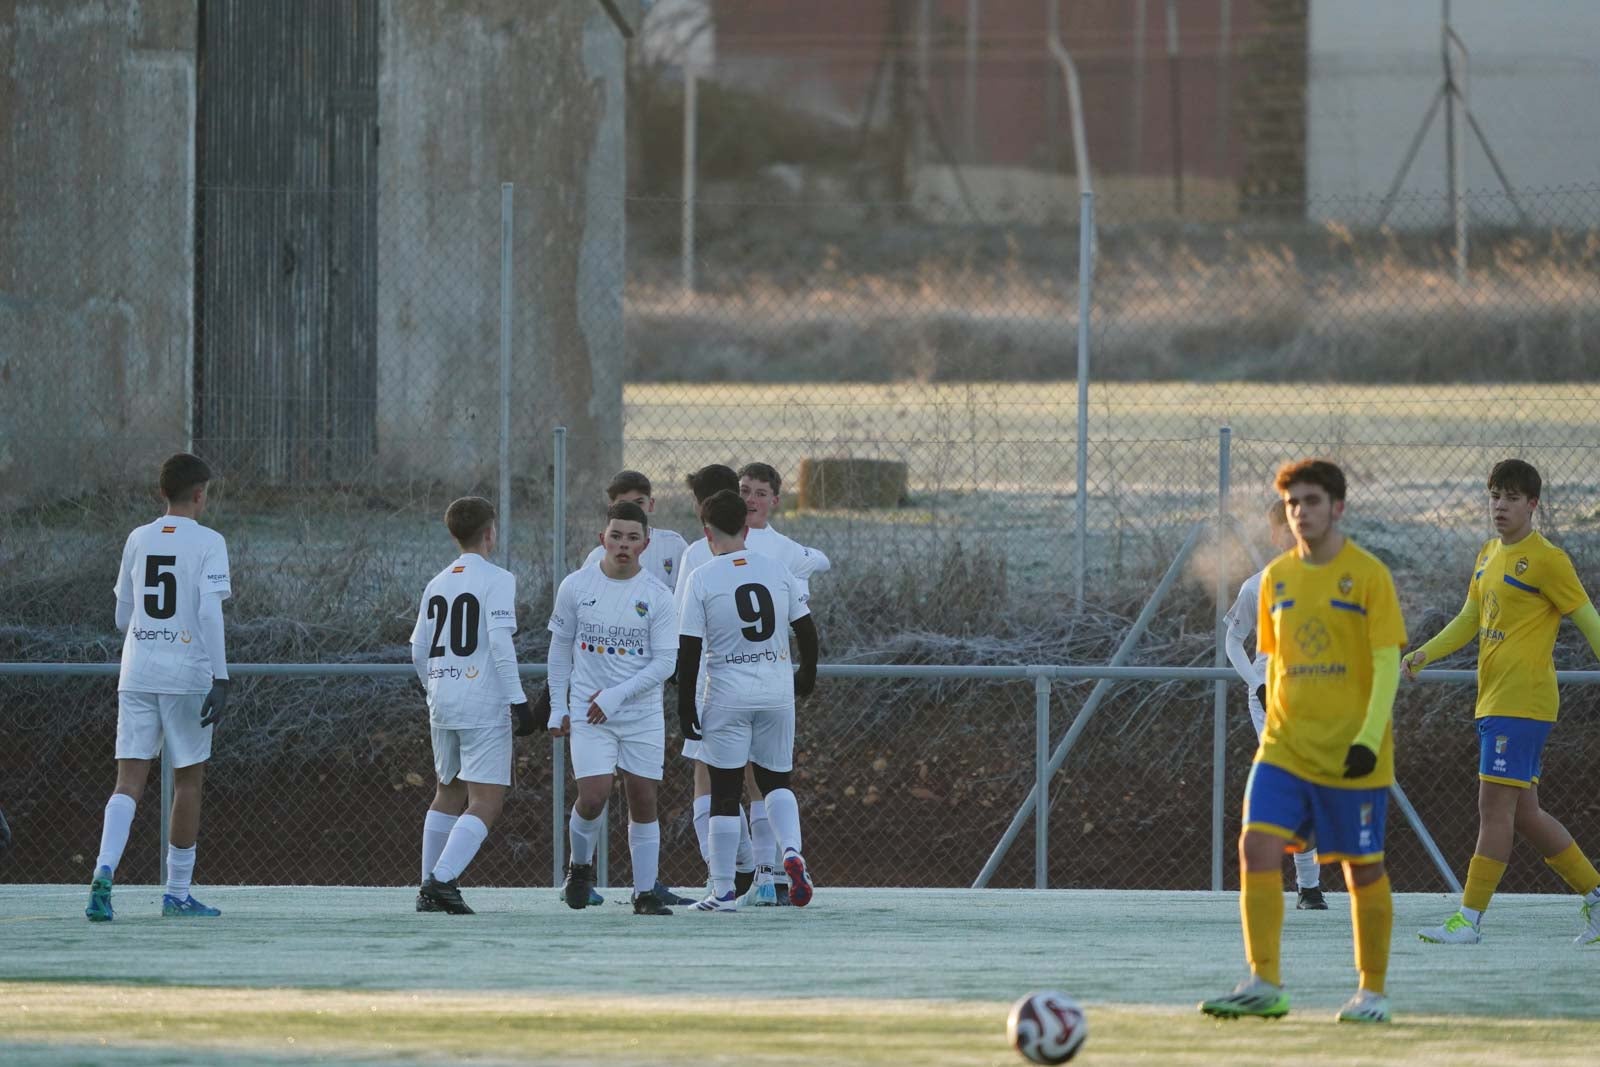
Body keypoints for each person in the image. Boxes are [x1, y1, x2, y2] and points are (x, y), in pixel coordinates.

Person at [1200, 459, 1406, 1024]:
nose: (1301, 512)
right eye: (1293, 504)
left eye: (1312, 501)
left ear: (1337, 507)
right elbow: (1277, 662)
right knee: (1257, 848)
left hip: (1350, 750)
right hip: (1284, 748)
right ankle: (1264, 982)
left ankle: (1373, 993)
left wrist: (1367, 736)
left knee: (1363, 869)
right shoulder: (1273, 581)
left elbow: (1386, 661)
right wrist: (1265, 694)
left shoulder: (1368, 576)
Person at [1406, 460, 1600, 946]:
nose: (1500, 505)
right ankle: (1597, 896)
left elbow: (1588, 618)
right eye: (1495, 495)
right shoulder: (1489, 552)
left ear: (1533, 505)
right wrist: (1427, 652)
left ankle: (1468, 921)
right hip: (1495, 701)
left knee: (1493, 809)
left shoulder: (1548, 559)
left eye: (1512, 497)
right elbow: (1471, 617)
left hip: (1524, 701)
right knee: (1526, 814)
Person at [88, 452, 232, 921]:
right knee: (188, 778)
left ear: (160, 493)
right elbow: (209, 612)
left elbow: (122, 616)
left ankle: (103, 874)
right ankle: (177, 893)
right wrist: (221, 675)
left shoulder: (137, 538)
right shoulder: (210, 541)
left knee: (128, 781)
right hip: (187, 674)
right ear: (199, 494)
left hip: (137, 673)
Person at [676, 489, 820, 912]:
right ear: (746, 526)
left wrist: (686, 706)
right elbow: (807, 631)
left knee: (724, 791)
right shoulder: (776, 570)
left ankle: (722, 891)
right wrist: (805, 676)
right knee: (776, 781)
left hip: (727, 696)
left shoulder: (702, 578)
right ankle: (791, 854)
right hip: (776, 694)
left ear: (707, 533)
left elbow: (688, 650)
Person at [411, 496, 543, 915]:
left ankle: (427, 886)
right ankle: (442, 880)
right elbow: (500, 643)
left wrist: (432, 687)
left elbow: (417, 649)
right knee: (486, 799)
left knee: (446, 792)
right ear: (490, 532)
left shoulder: (437, 581)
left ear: (454, 534)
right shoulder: (498, 578)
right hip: (481, 700)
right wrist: (519, 701)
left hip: (442, 698)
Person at [549, 501, 681, 916]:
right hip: (589, 713)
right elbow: (559, 649)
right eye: (616, 536)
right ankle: (580, 868)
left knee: (643, 798)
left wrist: (618, 694)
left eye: (632, 538)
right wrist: (557, 707)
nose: (623, 544)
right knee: (594, 796)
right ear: (602, 538)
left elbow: (665, 663)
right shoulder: (576, 585)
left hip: (639, 715)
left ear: (645, 544)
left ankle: (644, 894)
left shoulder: (657, 596)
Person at [1223, 499, 1327, 910]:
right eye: (1285, 526)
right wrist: (1257, 684)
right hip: (1270, 701)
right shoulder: (1257, 586)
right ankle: (1307, 887)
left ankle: (1305, 885)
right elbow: (1232, 641)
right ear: (1274, 534)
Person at [581, 470, 690, 592]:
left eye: (639, 503)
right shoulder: (597, 557)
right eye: (623, 504)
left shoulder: (674, 545)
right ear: (611, 508)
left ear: (651, 504)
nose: (631, 510)